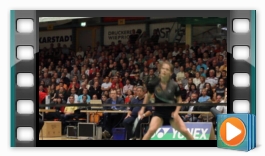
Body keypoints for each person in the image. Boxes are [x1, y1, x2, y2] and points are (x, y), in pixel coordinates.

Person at [138, 61, 194, 140]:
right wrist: (142, 109)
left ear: (170, 73)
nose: (164, 70)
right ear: (160, 70)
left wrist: (176, 112)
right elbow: (148, 96)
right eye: (163, 68)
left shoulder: (174, 85)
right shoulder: (153, 83)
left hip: (171, 113)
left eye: (167, 69)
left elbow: (179, 100)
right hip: (159, 113)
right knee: (150, 131)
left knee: (185, 131)